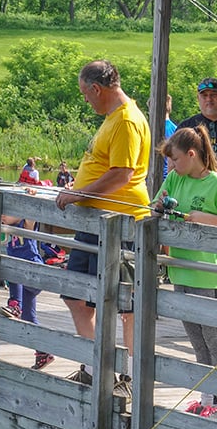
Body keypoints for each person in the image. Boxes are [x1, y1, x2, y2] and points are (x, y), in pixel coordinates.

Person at [55, 59, 150, 388]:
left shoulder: (126, 120)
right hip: (94, 222)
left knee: (124, 304)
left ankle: (129, 374)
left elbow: (122, 174)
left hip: (119, 222)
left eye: (85, 93)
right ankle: (99, 367)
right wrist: (80, 191)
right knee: (74, 295)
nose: (85, 99)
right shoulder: (112, 119)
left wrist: (80, 192)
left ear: (97, 88)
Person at [153, 126, 217, 422]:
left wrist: (203, 219)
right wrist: (158, 207)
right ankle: (206, 397)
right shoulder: (174, 178)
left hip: (208, 275)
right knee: (196, 341)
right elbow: (156, 204)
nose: (172, 166)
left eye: (175, 160)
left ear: (192, 155)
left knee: (214, 340)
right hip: (181, 272)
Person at [0, 213, 54, 370]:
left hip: (34, 274)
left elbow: (33, 212)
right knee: (28, 317)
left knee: (13, 268)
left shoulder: (26, 225)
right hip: (22, 279)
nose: (2, 216)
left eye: (6, 213)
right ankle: (43, 352)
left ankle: (15, 304)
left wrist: (31, 191)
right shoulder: (7, 229)